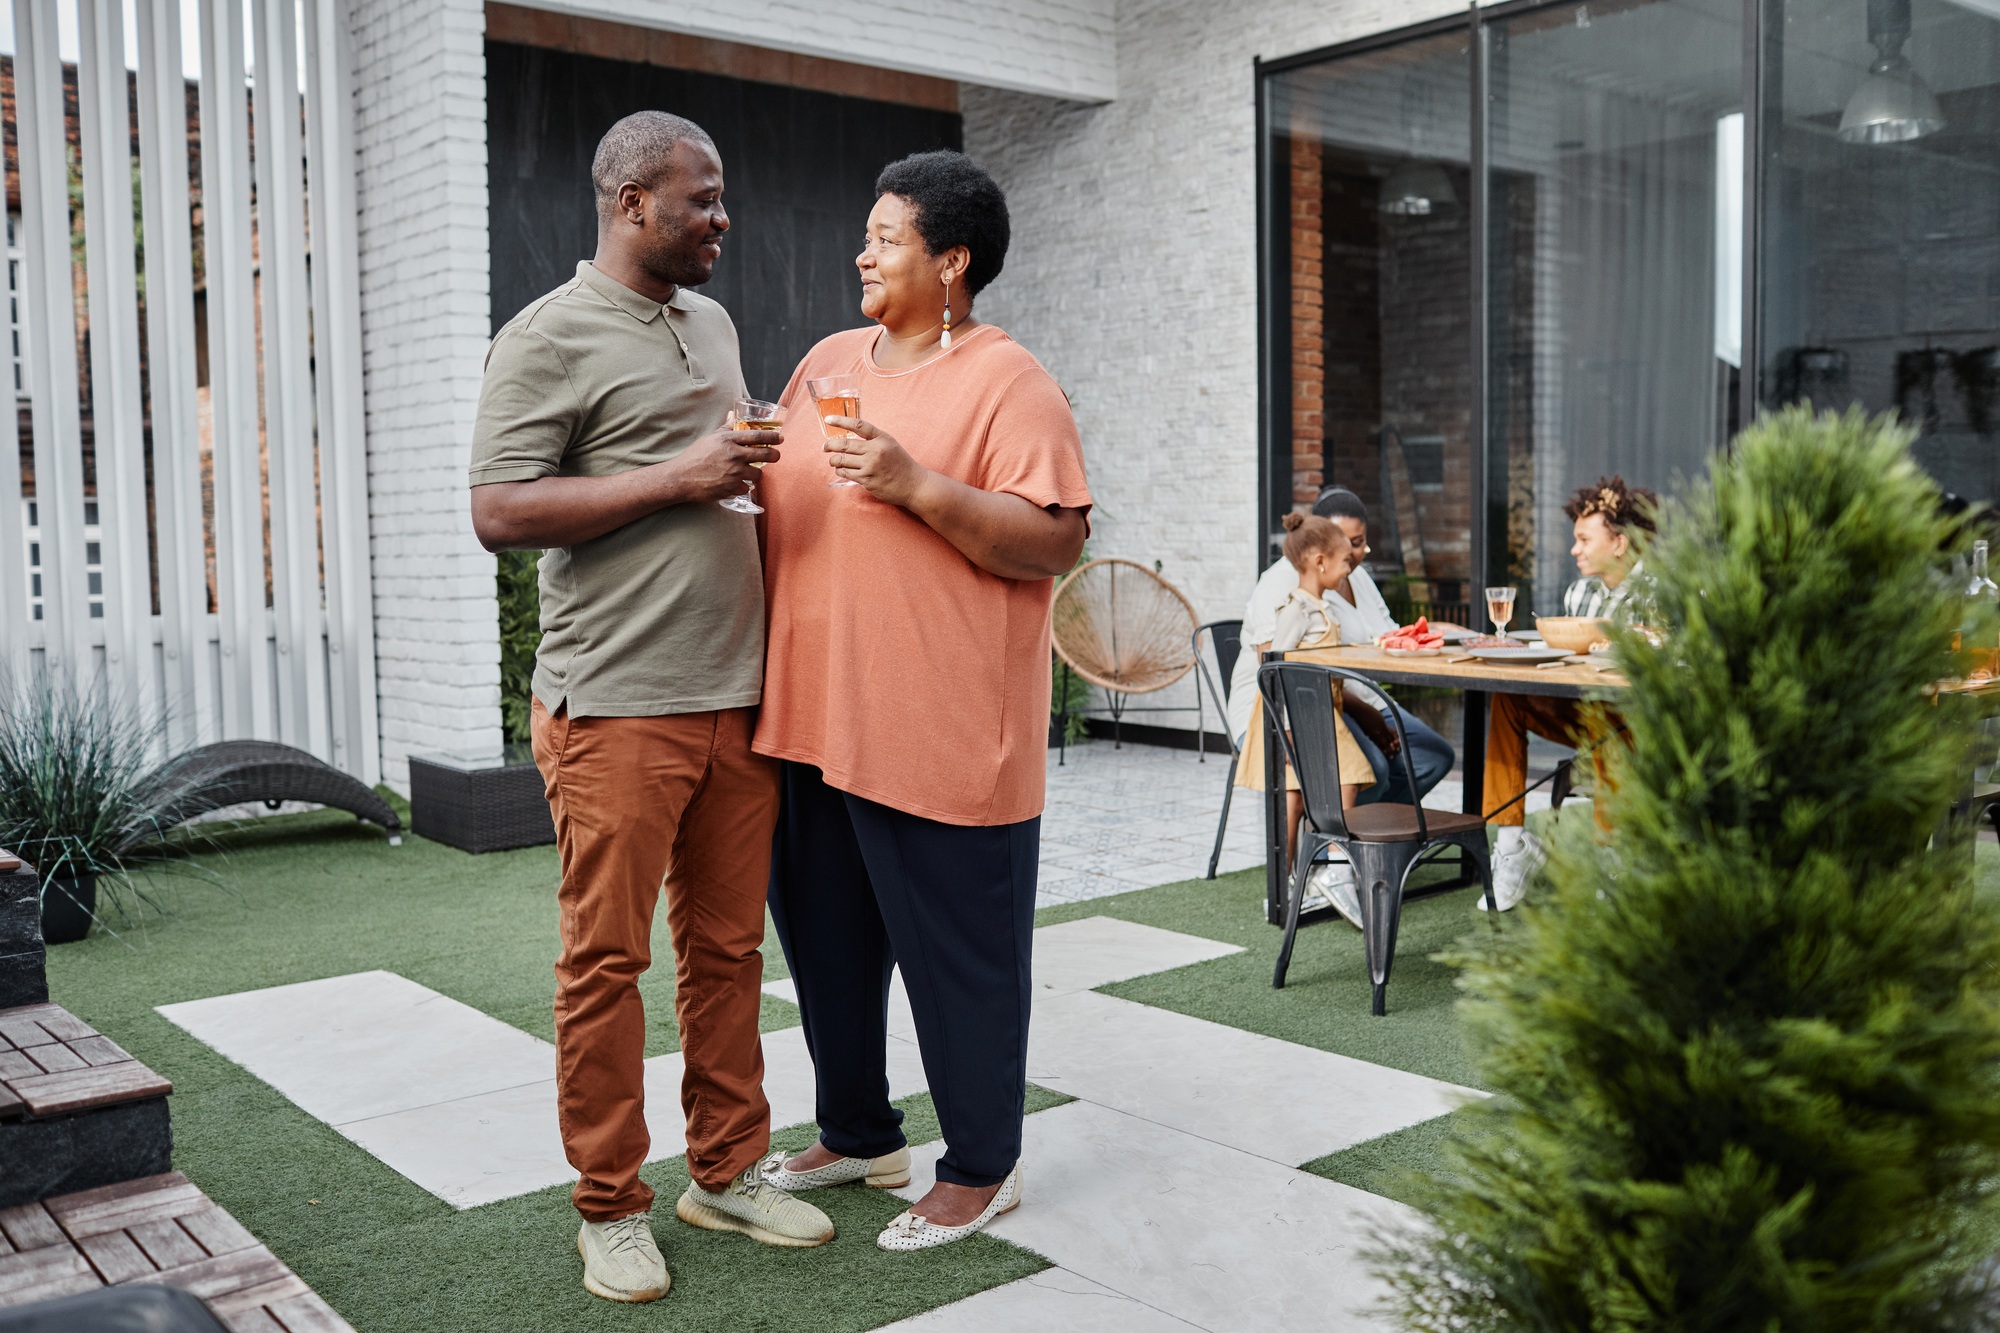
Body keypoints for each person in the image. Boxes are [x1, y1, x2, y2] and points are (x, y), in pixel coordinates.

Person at [467, 111, 833, 1305]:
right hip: (614, 703)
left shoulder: (711, 321)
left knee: (728, 955)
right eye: (702, 200)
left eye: (720, 200)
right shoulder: (544, 337)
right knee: (605, 964)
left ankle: (722, 1170)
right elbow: (500, 511)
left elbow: (712, 476)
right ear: (631, 203)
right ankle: (610, 1203)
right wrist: (680, 477)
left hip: (734, 698)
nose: (722, 219)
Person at [752, 151, 1091, 1252]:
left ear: (950, 262)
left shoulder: (1008, 381)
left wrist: (914, 484)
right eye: (866, 231)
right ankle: (855, 1131)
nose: (863, 250)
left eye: (887, 235)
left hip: (940, 724)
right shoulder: (820, 363)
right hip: (811, 715)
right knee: (830, 946)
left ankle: (982, 1164)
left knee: (961, 960)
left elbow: (1054, 536)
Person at [1482, 475, 1657, 910]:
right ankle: (1511, 846)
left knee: (1605, 714)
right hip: (1585, 711)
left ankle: (1615, 859)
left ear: (1619, 542)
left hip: (1644, 722)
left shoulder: (1660, 591)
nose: (1575, 548)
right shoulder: (1580, 592)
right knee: (1509, 696)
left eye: (1584, 538)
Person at [1227, 487, 1456, 807]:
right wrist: (1363, 712)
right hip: (1293, 708)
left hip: (1355, 697)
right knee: (1369, 771)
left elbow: (1389, 636)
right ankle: (1333, 840)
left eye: (1359, 542)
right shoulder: (1281, 584)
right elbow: (1280, 669)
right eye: (1344, 543)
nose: (1352, 553)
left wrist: (1448, 634)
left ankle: (1366, 841)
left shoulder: (1356, 576)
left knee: (1432, 756)